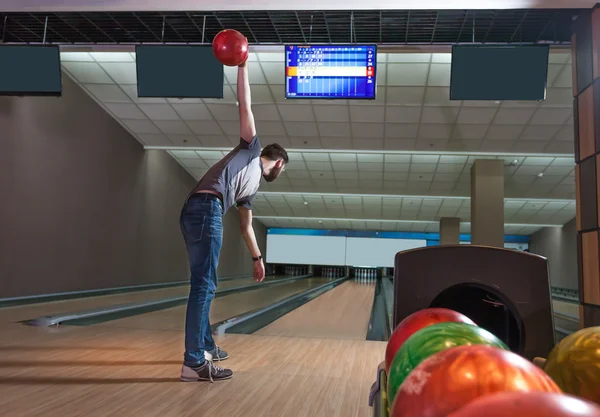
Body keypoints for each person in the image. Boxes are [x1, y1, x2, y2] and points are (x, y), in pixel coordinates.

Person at [179, 60, 289, 382]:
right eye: (283, 170)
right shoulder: (252, 149)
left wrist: (258, 259)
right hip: (205, 207)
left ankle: (205, 346)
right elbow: (245, 104)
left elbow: (245, 226)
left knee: (203, 284)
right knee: (204, 286)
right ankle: (194, 362)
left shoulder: (250, 188)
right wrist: (242, 66)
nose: (280, 174)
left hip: (196, 209)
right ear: (278, 162)